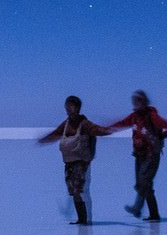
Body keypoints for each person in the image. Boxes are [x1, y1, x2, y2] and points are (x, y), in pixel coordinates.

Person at [37, 96, 112, 224]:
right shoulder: (66, 123)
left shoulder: (84, 123)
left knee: (78, 190)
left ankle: (84, 220)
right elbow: (56, 133)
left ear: (77, 108)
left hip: (81, 161)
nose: (67, 108)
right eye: (66, 105)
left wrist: (109, 130)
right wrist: (44, 140)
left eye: (70, 106)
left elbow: (97, 130)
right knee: (72, 190)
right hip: (69, 161)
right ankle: (81, 219)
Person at [106, 90, 167, 221]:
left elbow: (162, 123)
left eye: (138, 101)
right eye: (134, 101)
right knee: (142, 184)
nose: (136, 103)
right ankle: (153, 214)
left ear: (144, 101)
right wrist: (106, 129)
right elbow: (121, 123)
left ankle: (137, 208)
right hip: (139, 155)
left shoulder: (151, 115)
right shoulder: (134, 116)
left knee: (144, 182)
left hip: (151, 154)